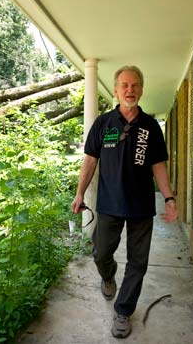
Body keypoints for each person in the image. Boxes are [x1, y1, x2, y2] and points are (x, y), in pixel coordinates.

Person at [71, 65, 177, 339]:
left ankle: (123, 311)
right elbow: (90, 160)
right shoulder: (103, 124)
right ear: (116, 90)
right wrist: (80, 192)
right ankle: (108, 276)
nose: (130, 90)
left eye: (135, 85)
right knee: (100, 253)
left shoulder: (151, 127)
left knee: (138, 263)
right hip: (109, 203)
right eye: (125, 85)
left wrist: (168, 197)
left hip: (141, 206)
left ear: (141, 89)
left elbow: (158, 165)